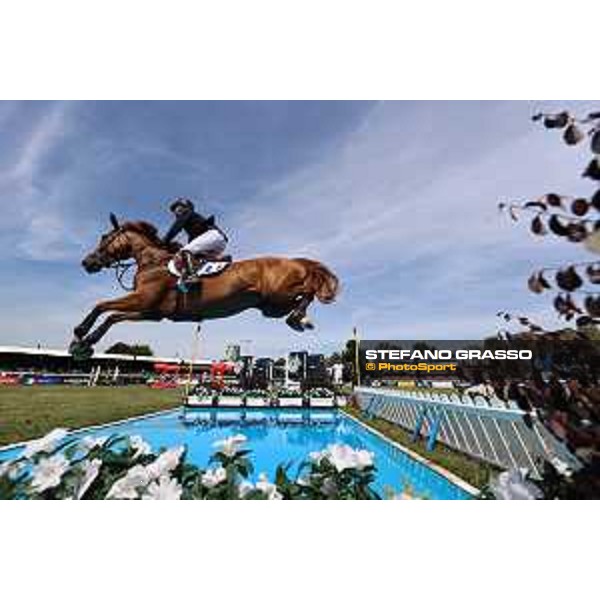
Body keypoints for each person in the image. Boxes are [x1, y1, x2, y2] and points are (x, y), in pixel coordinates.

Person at [162, 198, 229, 291]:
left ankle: (193, 277)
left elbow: (174, 229)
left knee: (184, 251)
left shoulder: (187, 214)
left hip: (213, 236)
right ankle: (219, 259)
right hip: (219, 242)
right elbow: (192, 243)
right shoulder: (193, 225)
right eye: (174, 209)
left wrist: (163, 242)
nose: (176, 211)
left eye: (178, 207)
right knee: (195, 258)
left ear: (187, 208)